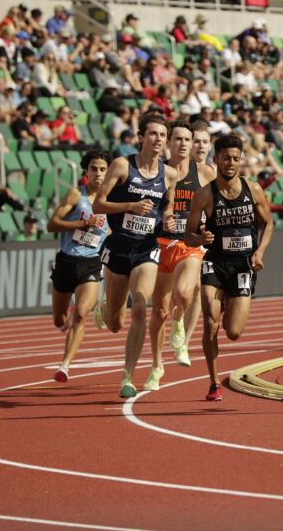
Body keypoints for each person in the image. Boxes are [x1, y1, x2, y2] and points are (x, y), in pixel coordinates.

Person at [93, 113, 179, 398]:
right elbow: (98, 204)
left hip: (146, 247)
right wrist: (130, 205)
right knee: (116, 323)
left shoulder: (169, 174)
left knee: (141, 307)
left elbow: (167, 207)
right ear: (141, 136)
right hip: (118, 246)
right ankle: (105, 307)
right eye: (153, 134)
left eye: (162, 136)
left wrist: (167, 218)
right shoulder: (121, 166)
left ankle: (127, 376)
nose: (158, 140)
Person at [184, 134, 273, 401]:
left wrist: (260, 251)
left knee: (233, 332)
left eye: (235, 158)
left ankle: (228, 305)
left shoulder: (253, 189)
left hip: (244, 266)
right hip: (215, 263)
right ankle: (213, 383)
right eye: (225, 158)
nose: (231, 163)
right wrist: (201, 239)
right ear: (216, 160)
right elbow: (188, 235)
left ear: (241, 160)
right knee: (210, 322)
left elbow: (268, 224)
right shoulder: (203, 195)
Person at [149, 120, 217, 379]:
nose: (183, 144)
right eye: (178, 139)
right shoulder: (157, 172)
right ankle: (156, 365)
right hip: (160, 244)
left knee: (185, 293)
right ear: (169, 142)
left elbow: (218, 205)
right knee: (158, 310)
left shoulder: (204, 173)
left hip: (190, 244)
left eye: (187, 140)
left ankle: (183, 334)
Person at [46, 150, 111, 382]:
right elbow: (52, 224)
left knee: (82, 314)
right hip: (66, 261)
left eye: (103, 169)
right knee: (59, 319)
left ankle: (65, 365)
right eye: (94, 168)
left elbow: (113, 232)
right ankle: (67, 321)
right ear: (86, 170)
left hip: (91, 264)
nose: (98, 174)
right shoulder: (76, 195)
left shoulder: (111, 202)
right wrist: (83, 223)